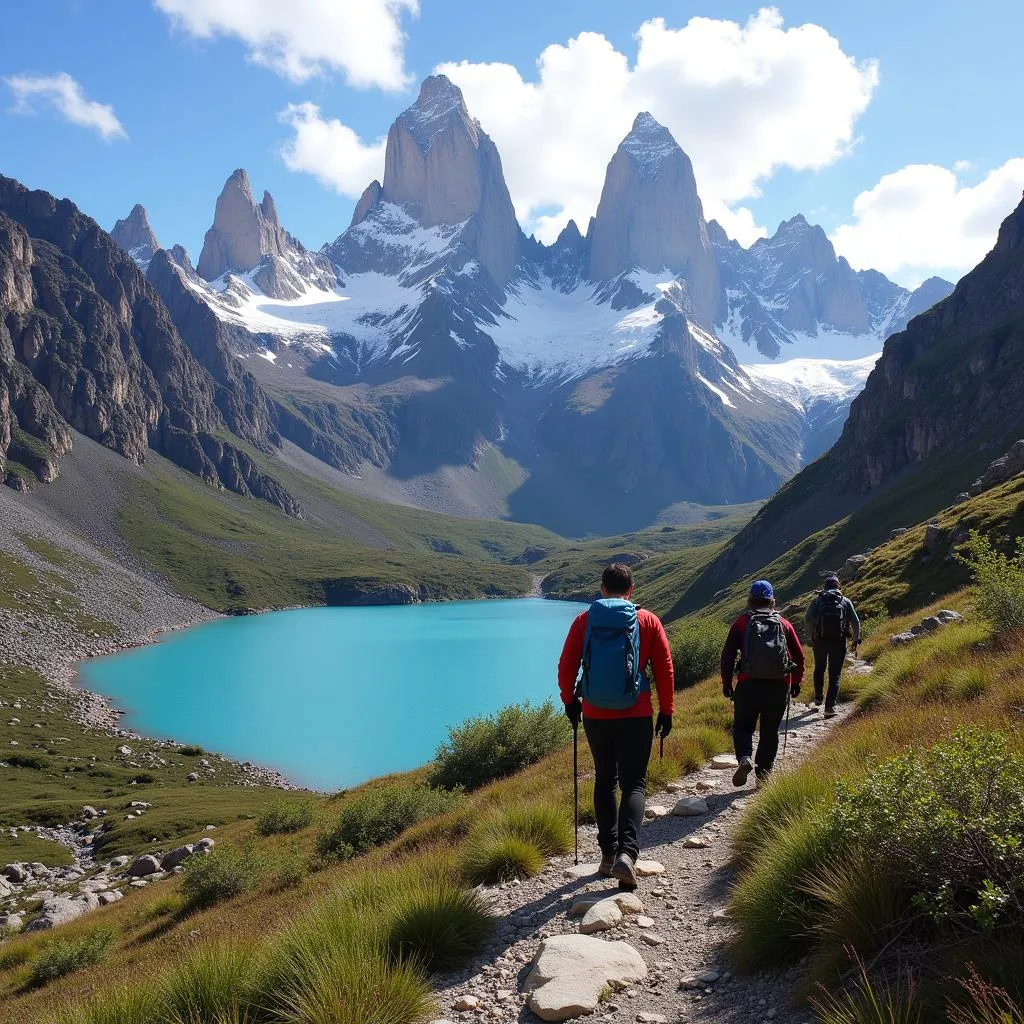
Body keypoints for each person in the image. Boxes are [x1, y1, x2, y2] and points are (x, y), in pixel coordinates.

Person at [559, 563, 675, 890]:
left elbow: (567, 666)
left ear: (601, 588)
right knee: (634, 783)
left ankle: (608, 854)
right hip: (636, 713)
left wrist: (570, 701)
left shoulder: (585, 621)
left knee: (605, 780)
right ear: (632, 589)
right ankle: (628, 854)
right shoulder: (648, 621)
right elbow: (665, 667)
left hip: (597, 714)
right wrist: (666, 710)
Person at [720, 580, 804, 788]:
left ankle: (745, 758)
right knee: (770, 730)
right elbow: (799, 656)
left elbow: (728, 656)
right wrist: (797, 681)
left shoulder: (741, 623)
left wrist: (727, 682)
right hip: (778, 685)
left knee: (742, 727)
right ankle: (764, 775)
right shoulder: (784, 623)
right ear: (772, 600)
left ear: (751, 599)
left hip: (748, 685)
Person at [805, 574, 861, 718]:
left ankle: (818, 697)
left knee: (819, 668)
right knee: (835, 674)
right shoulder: (845, 601)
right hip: (839, 641)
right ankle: (829, 707)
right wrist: (855, 640)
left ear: (825, 587)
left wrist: (810, 636)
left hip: (820, 641)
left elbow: (808, 618)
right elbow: (855, 622)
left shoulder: (818, 600)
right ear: (838, 586)